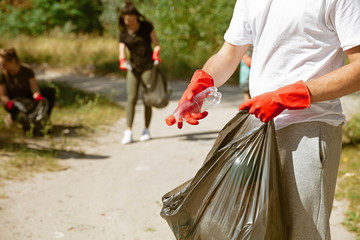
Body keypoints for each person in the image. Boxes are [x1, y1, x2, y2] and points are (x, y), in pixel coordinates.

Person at [166, 0, 360, 239]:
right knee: (252, 230)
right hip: (257, 127)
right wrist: (204, 81)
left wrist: (290, 96)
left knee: (303, 234)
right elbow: (229, 54)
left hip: (309, 128)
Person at [118, 1, 161, 144]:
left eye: (131, 19)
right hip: (133, 67)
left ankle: (146, 129)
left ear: (136, 17)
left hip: (148, 66)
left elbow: (156, 44)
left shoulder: (146, 27)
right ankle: (128, 131)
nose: (129, 22)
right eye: (126, 20)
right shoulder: (123, 32)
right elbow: (121, 49)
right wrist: (123, 60)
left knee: (146, 97)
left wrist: (156, 54)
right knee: (131, 99)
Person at [0, 47, 55, 133]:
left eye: (4, 64)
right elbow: (3, 95)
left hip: (27, 100)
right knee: (15, 108)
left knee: (50, 92)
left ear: (13, 61)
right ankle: (15, 118)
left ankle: (42, 119)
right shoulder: (3, 74)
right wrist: (8, 102)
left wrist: (37, 96)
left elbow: (34, 89)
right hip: (14, 103)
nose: (3, 67)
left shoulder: (27, 70)